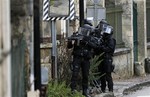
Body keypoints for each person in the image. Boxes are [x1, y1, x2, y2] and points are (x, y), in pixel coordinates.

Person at [67, 19, 95, 97]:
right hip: (77, 57)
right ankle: (73, 90)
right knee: (74, 74)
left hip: (86, 59)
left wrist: (87, 41)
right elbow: (69, 47)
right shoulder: (77, 34)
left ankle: (85, 91)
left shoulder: (91, 37)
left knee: (85, 75)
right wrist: (71, 41)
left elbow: (95, 46)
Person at [95, 21, 116, 93]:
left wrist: (101, 47)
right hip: (101, 59)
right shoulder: (103, 39)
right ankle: (103, 89)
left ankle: (111, 90)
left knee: (108, 75)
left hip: (107, 59)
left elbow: (109, 49)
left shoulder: (111, 40)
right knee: (101, 75)